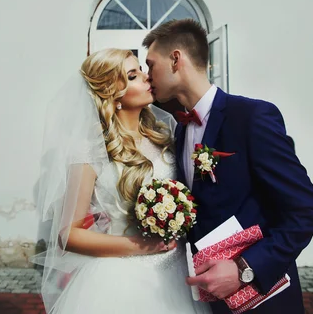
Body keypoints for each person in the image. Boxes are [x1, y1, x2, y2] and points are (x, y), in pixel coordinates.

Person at [143, 19, 313, 314]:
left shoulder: (251, 117)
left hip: (264, 300)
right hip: (212, 300)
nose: (147, 75)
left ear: (176, 59)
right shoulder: (180, 131)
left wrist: (245, 268)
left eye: (150, 64)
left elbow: (307, 210)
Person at [34, 48, 211, 313]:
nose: (146, 77)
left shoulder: (166, 132)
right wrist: (142, 247)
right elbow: (68, 235)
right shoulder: (90, 149)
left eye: (141, 69)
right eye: (133, 75)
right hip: (121, 278)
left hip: (177, 271)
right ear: (112, 92)